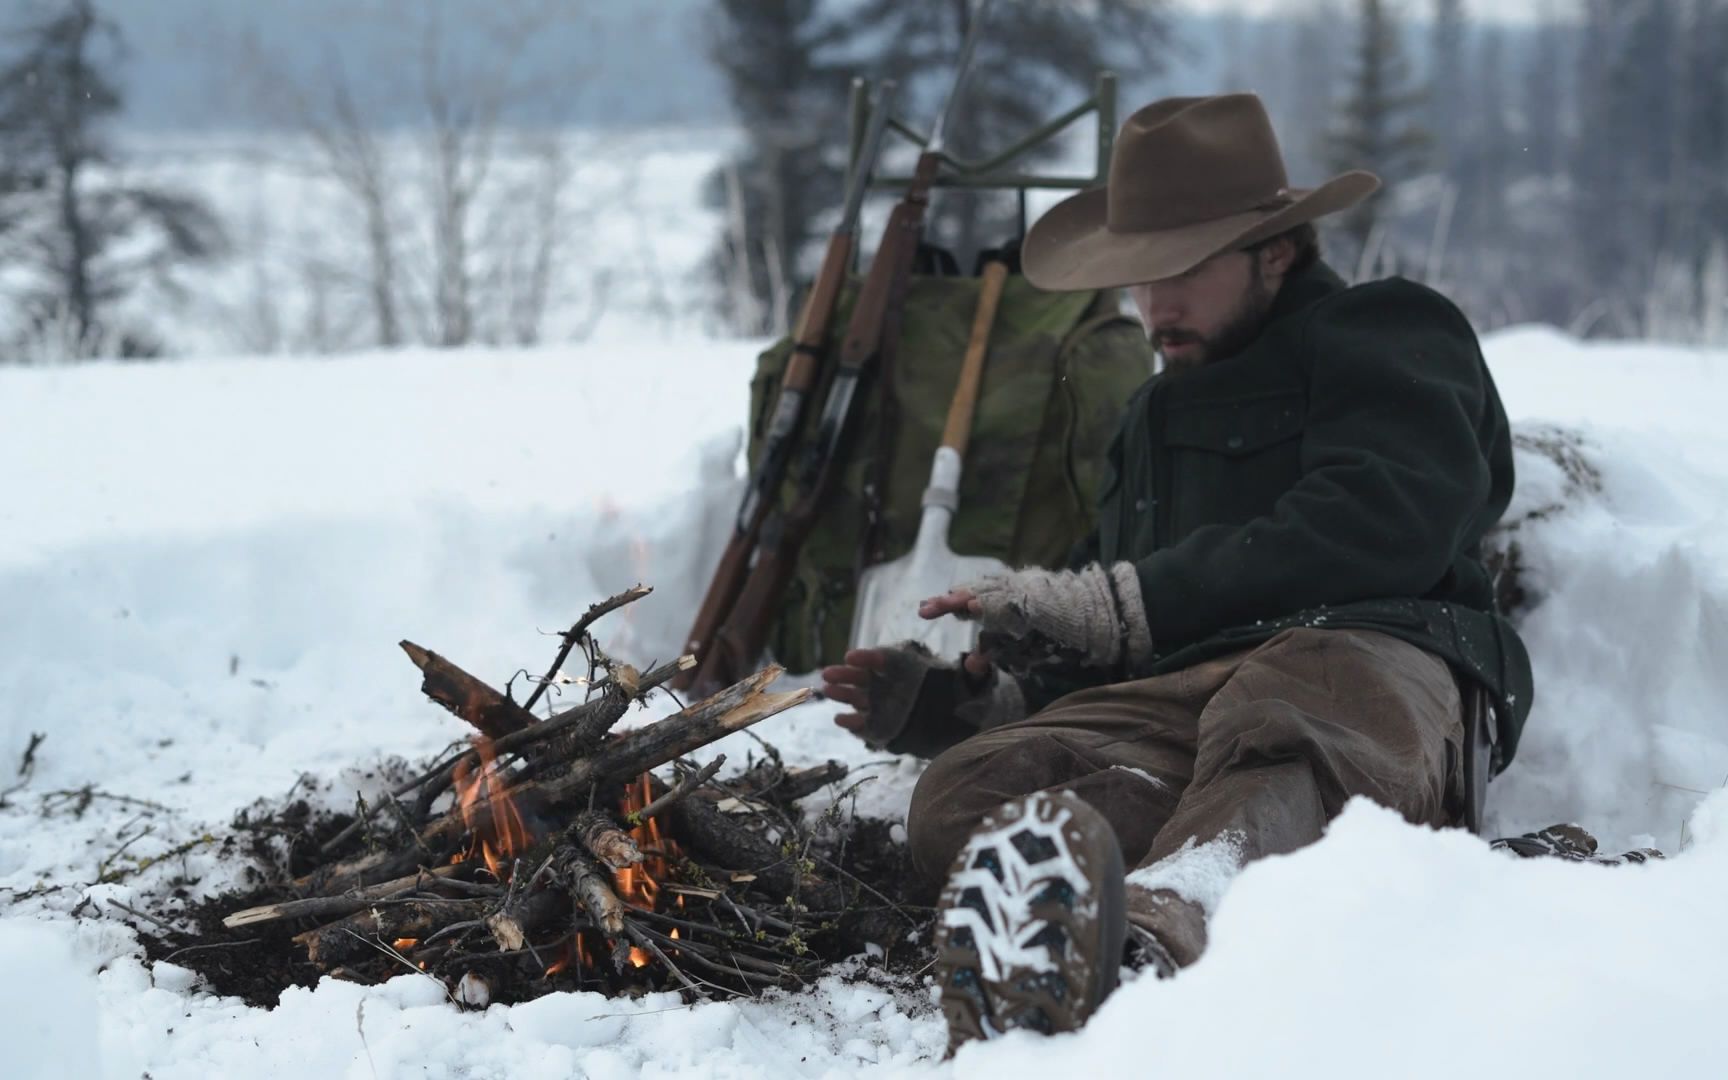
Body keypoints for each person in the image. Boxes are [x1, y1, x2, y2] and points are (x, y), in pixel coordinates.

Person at [820, 93, 1533, 1054]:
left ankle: (1156, 934)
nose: (1155, 308)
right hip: (1182, 708)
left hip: (1362, 662)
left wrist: (1124, 602)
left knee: (1281, 715)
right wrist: (977, 701)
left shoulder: (1389, 333)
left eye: (1182, 271)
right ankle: (1087, 904)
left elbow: (1389, 521)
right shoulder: (1150, 417)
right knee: (967, 793)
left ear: (1275, 250)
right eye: (1139, 279)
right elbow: (1112, 618)